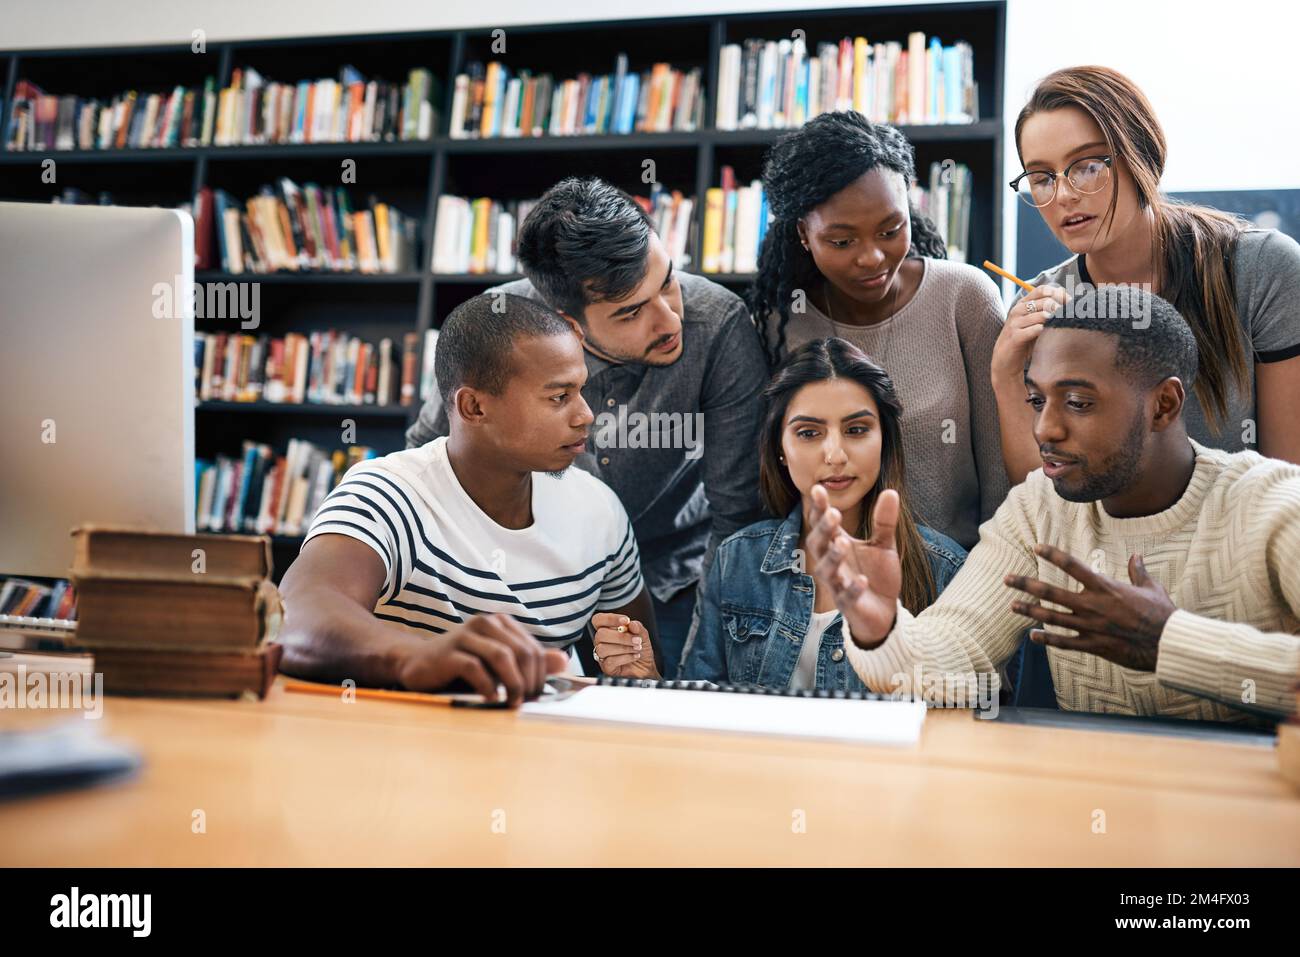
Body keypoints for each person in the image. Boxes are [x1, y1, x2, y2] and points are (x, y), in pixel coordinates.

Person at [806, 285, 1300, 722]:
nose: (1045, 429)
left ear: (1164, 405)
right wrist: (881, 630)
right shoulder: (1039, 509)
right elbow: (954, 656)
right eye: (1038, 400)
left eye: (1078, 402)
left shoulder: (1273, 504)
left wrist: (1168, 642)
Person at [407, 177, 769, 677]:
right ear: (568, 324)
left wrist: (693, 676)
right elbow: (430, 457)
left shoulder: (721, 324)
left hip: (669, 579)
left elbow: (738, 516)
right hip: (520, 575)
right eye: (631, 312)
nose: (669, 320)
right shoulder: (499, 327)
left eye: (667, 282)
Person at [279, 293, 661, 705]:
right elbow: (300, 616)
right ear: (474, 407)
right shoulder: (389, 491)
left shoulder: (600, 510)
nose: (585, 414)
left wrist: (641, 679)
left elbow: (639, 673)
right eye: (558, 397)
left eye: (582, 391)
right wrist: (421, 655)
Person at [995, 65, 1300, 486]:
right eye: (1043, 177)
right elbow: (1043, 506)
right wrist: (1007, 375)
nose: (1064, 195)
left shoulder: (1263, 270)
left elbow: (1288, 485)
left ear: (1144, 156)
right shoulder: (1042, 305)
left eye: (1087, 166)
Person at [748, 110, 1009, 552]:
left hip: (961, 583)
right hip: (829, 579)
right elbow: (778, 482)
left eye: (890, 229)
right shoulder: (782, 323)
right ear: (804, 234)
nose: (871, 258)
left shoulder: (964, 297)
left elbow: (1002, 481)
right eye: (842, 241)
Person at [680, 338, 964, 688]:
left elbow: (962, 717)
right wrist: (646, 679)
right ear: (780, 449)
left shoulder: (946, 568)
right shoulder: (737, 558)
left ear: (884, 440)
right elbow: (698, 699)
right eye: (809, 433)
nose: (835, 455)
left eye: (856, 430)